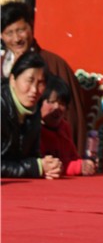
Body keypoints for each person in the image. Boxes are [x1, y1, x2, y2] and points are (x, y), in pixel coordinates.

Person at [1, 0, 87, 154]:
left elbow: (72, 117)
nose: (17, 39)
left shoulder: (53, 64)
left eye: (21, 30)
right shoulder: (1, 65)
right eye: (9, 33)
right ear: (1, 36)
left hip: (47, 152)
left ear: (31, 27)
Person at [1, 50, 62, 179]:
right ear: (12, 80)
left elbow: (32, 156)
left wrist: (49, 166)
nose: (34, 90)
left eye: (41, 83)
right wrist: (36, 167)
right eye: (29, 80)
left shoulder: (33, 111)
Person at [40, 74, 96, 177]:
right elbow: (46, 167)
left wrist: (86, 165)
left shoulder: (64, 128)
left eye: (62, 103)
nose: (57, 107)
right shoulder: (33, 130)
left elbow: (74, 157)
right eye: (51, 101)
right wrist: (76, 167)